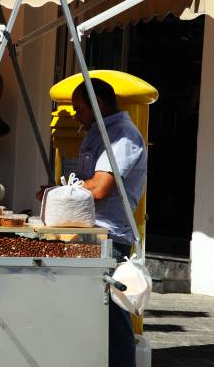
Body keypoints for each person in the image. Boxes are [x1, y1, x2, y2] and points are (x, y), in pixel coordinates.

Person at [72, 78, 146, 367]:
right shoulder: (99, 132)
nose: (76, 115)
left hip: (110, 240)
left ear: (98, 104)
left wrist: (65, 192)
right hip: (92, 235)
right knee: (94, 319)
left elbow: (100, 188)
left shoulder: (123, 137)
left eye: (80, 109)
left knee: (114, 323)